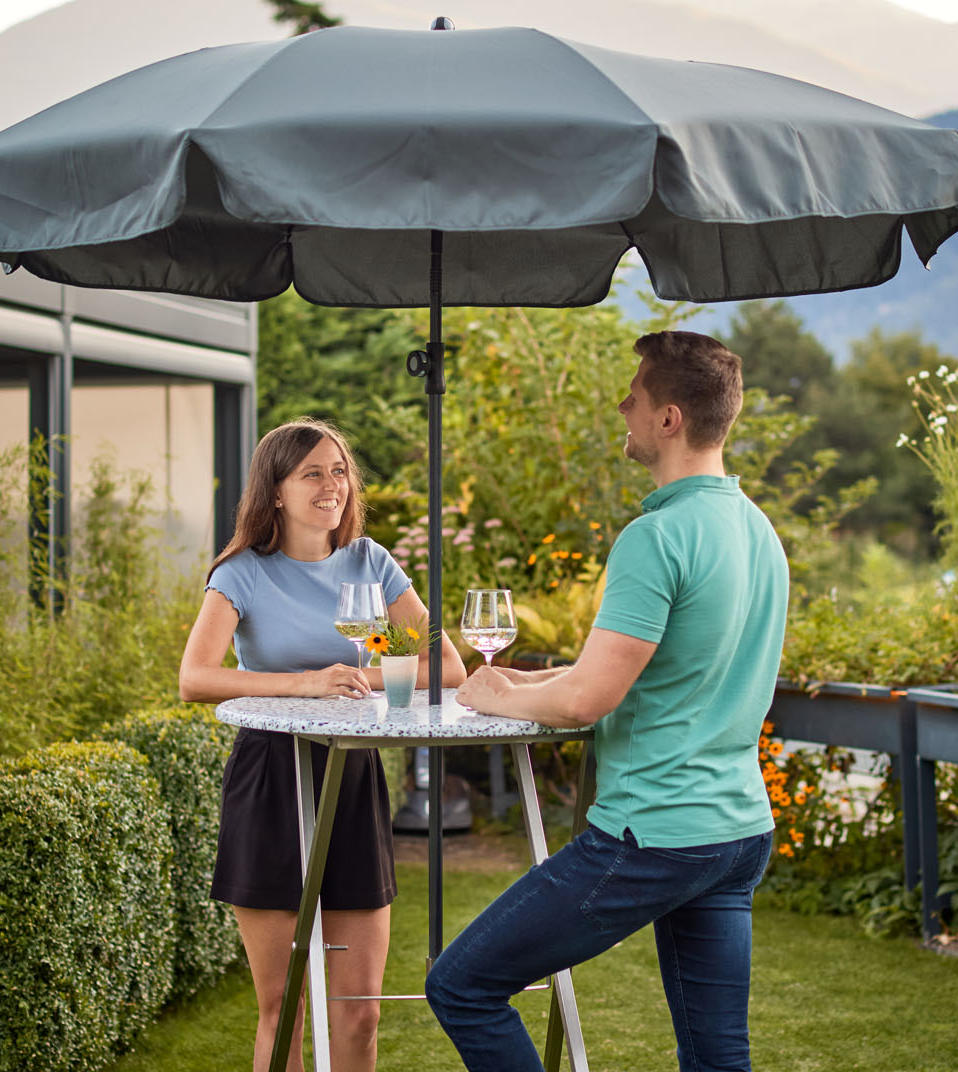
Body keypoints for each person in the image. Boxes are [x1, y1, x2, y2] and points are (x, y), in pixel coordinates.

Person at [428, 331, 787, 1072]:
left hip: (652, 835)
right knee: (720, 1057)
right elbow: (651, 672)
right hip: (736, 833)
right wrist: (519, 682)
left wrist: (492, 700)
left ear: (670, 419)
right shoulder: (756, 532)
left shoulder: (656, 537)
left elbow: (590, 699)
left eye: (636, 392)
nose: (621, 402)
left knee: (461, 984)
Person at [179, 417, 466, 1072]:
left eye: (339, 471)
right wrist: (306, 684)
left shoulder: (372, 561)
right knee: (283, 1008)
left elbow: (448, 669)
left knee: (360, 1007)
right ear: (275, 490)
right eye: (312, 472)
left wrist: (360, 679)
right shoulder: (242, 572)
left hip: (352, 773)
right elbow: (194, 677)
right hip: (270, 779)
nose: (331, 485)